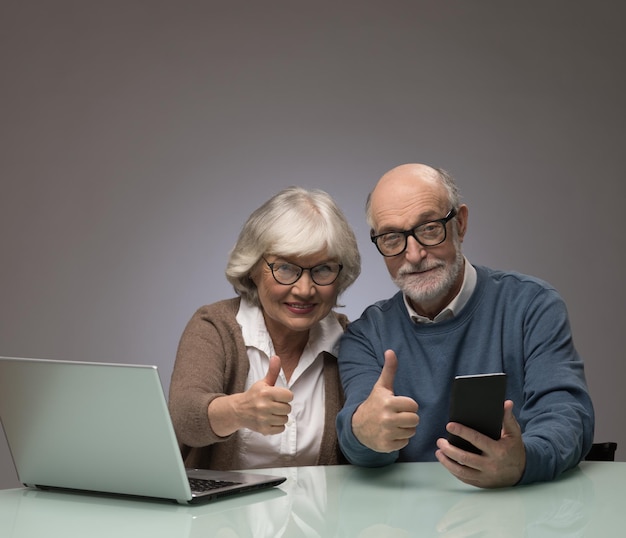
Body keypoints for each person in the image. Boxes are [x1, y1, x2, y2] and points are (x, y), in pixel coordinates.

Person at [336, 163, 594, 488]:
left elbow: (567, 414)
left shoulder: (532, 305)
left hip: (516, 514)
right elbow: (355, 433)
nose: (413, 254)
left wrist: (524, 460)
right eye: (391, 238)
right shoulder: (364, 336)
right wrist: (365, 431)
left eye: (429, 228)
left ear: (460, 223)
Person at [169, 186, 361, 470]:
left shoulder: (353, 341)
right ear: (253, 268)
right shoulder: (215, 326)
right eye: (285, 268)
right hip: (223, 515)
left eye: (322, 270)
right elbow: (184, 418)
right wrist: (238, 411)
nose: (304, 289)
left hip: (324, 517)